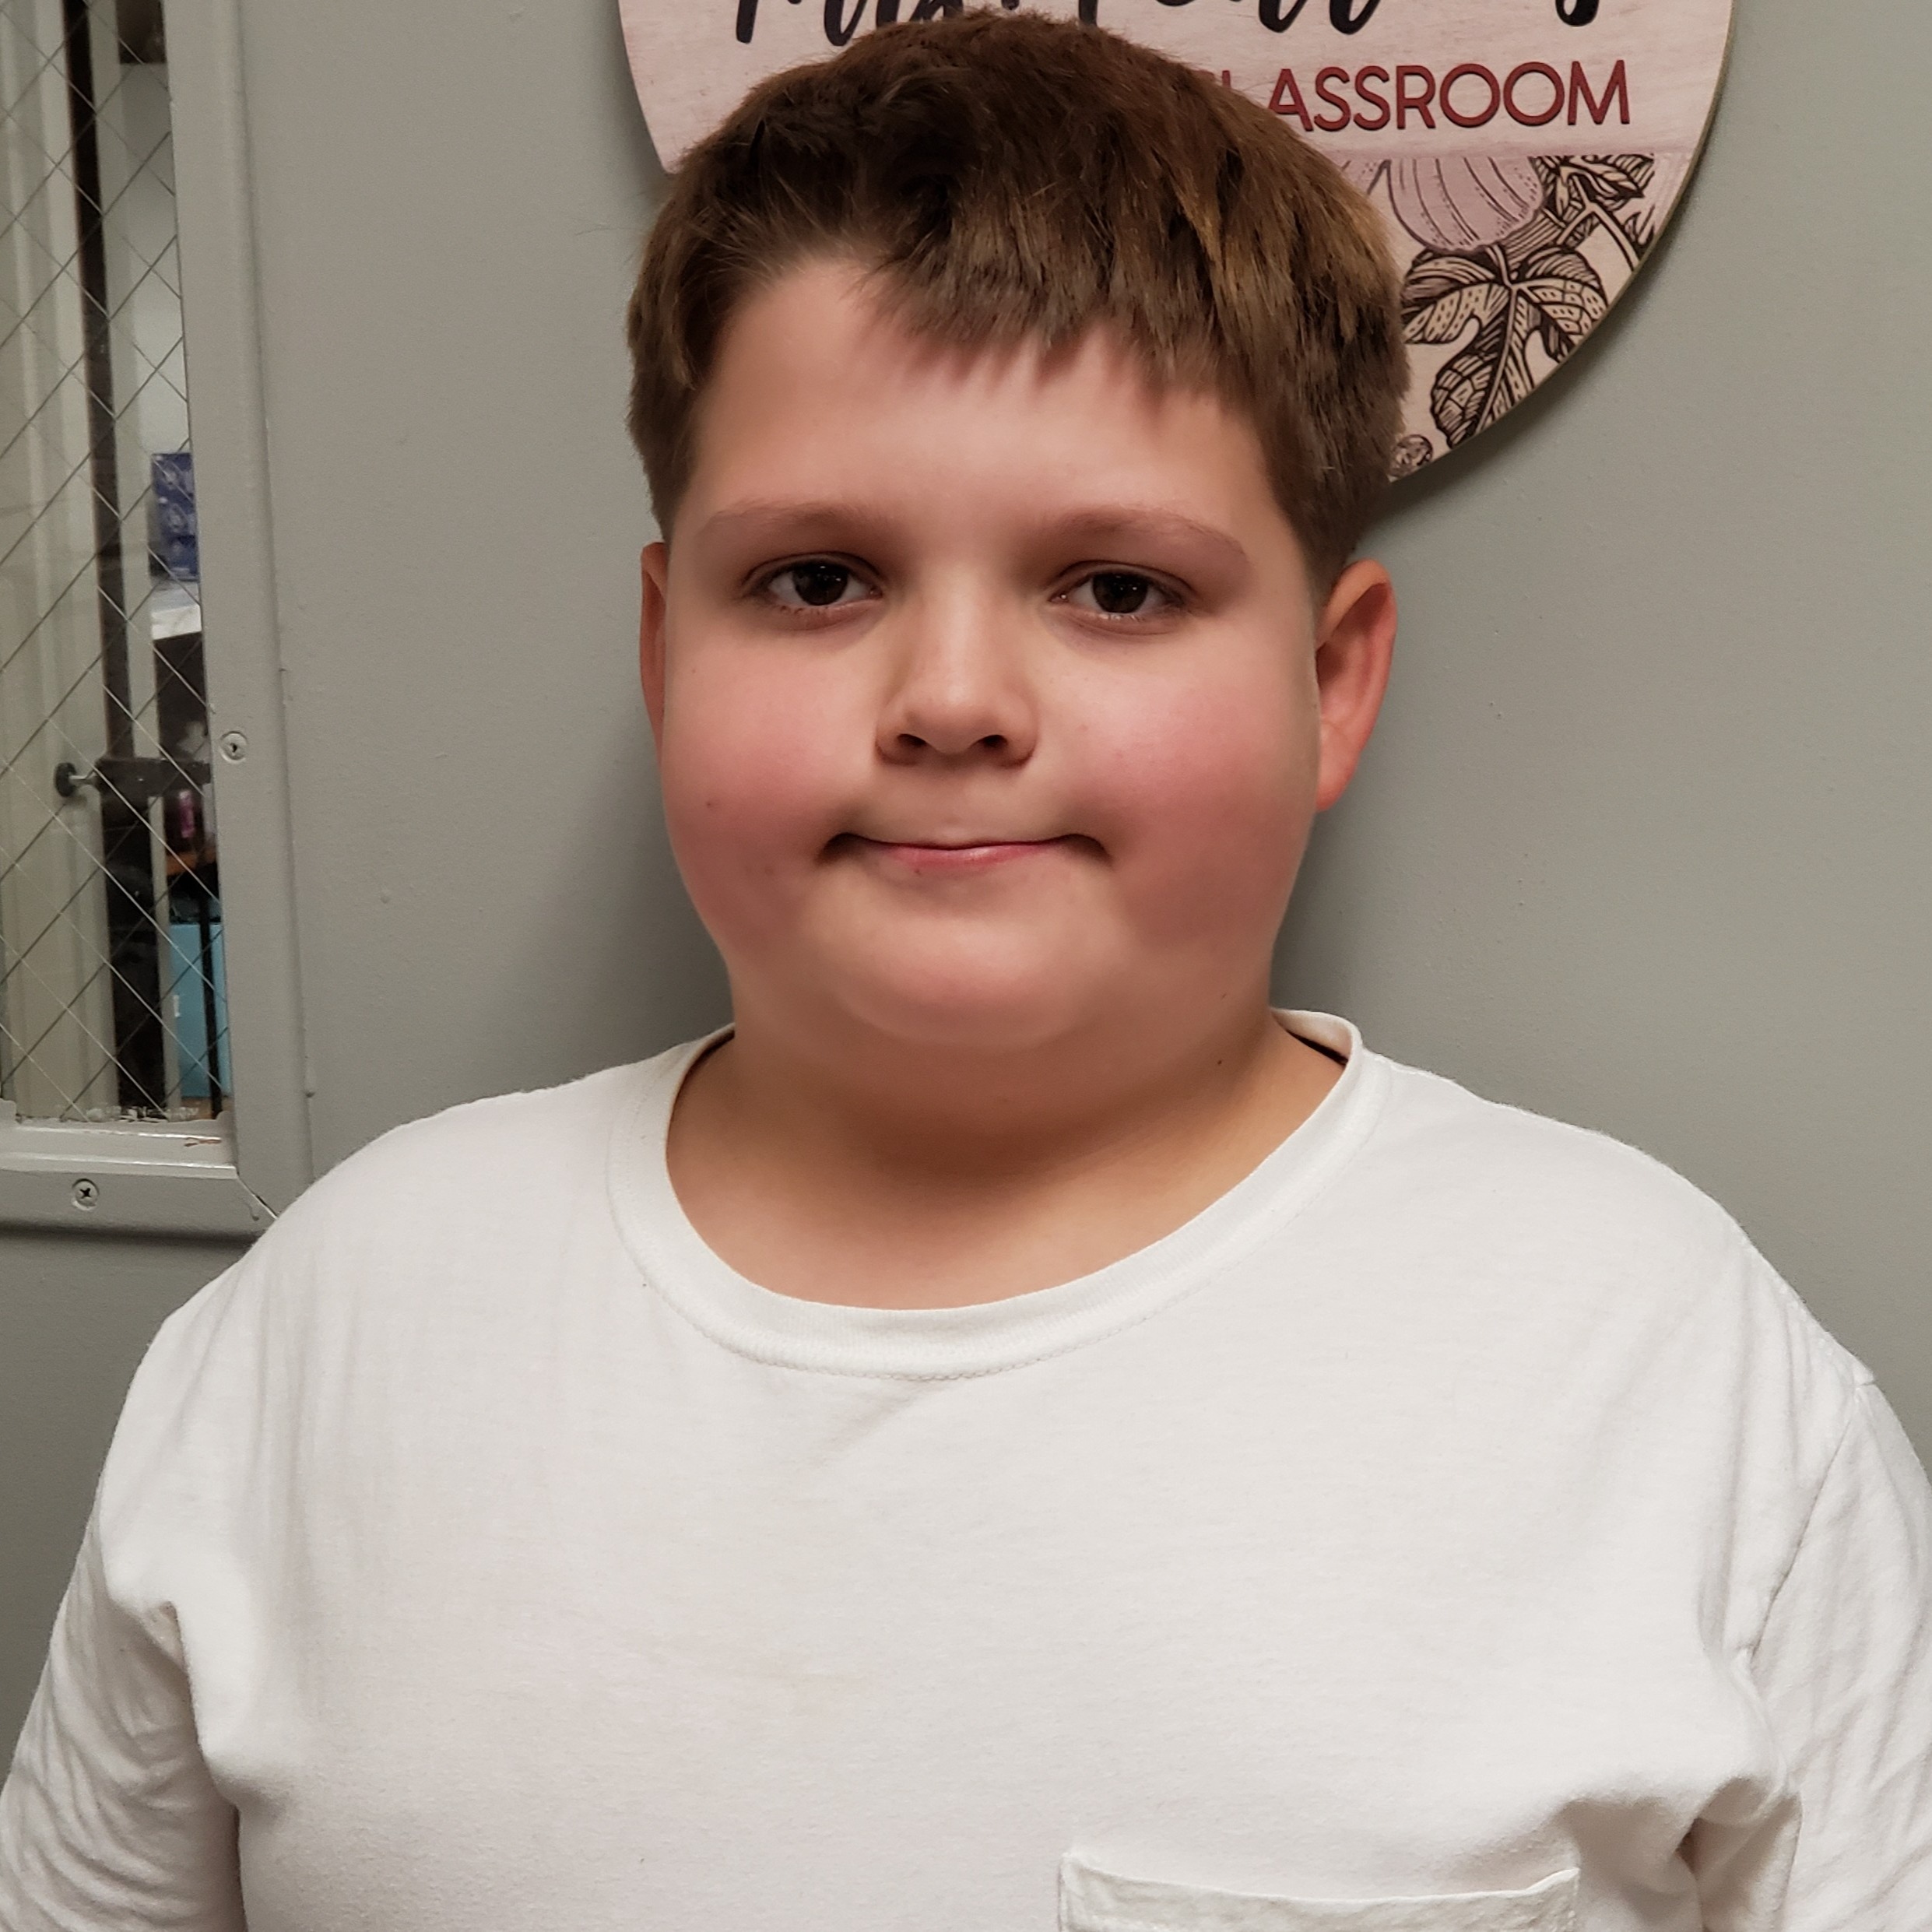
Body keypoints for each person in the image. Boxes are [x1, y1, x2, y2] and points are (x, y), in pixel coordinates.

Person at [3, 11, 1929, 1927]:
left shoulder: (1663, 1377)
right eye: (818, 579)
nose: (948, 702)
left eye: (1117, 587)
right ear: (669, 652)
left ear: (1328, 681)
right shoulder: (317, 1344)